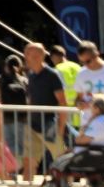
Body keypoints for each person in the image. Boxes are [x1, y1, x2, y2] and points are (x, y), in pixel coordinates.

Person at [20, 42, 67, 177]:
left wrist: (61, 127)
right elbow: (31, 100)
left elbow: (62, 102)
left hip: (49, 124)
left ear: (39, 56)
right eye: (27, 54)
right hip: (32, 125)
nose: (27, 57)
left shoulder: (52, 75)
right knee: (29, 161)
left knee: (60, 160)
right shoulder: (31, 75)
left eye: (29, 54)